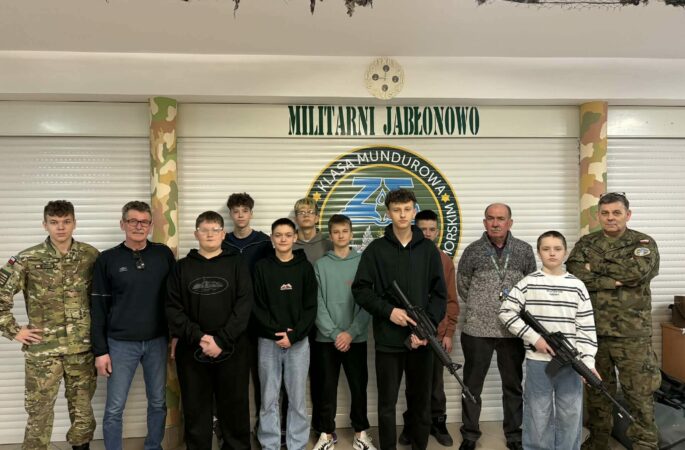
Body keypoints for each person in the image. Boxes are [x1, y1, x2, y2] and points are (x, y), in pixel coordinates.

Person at [0, 200, 99, 450]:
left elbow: (104, 299)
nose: (60, 228)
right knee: (39, 415)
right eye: (54, 222)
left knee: (83, 414)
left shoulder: (90, 256)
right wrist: (14, 330)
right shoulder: (28, 259)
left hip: (81, 350)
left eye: (66, 222)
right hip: (43, 352)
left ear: (74, 223)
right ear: (45, 224)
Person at [352, 188, 446, 450]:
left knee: (420, 403)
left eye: (407, 209)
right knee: (386, 404)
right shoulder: (376, 249)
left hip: (422, 341)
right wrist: (388, 311)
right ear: (388, 213)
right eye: (396, 210)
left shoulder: (428, 249)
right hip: (388, 340)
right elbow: (360, 290)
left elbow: (440, 294)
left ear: (414, 211)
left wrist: (425, 330)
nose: (402, 215)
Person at [566, 192, 660, 450]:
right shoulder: (587, 243)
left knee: (638, 393)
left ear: (628, 215)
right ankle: (598, 442)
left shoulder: (643, 243)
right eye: (605, 213)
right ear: (598, 215)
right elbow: (574, 273)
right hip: (593, 332)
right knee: (597, 392)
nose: (610, 218)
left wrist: (594, 268)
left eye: (616, 213)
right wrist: (614, 280)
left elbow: (636, 273)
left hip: (632, 334)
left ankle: (646, 444)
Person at [499, 230, 598, 450]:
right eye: (546, 249)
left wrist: (588, 363)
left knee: (570, 413)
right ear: (538, 252)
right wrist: (534, 338)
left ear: (566, 252)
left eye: (557, 249)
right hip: (538, 361)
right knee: (537, 413)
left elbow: (586, 328)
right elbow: (506, 312)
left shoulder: (577, 286)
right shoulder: (528, 283)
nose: (552, 253)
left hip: (571, 362)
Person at [91, 200, 176, 450]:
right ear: (122, 224)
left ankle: (153, 446)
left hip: (157, 341)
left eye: (144, 222)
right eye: (132, 221)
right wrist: (100, 351)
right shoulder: (107, 259)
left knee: (158, 402)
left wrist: (175, 336)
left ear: (150, 226)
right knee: (114, 407)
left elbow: (174, 299)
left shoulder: (163, 255)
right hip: (119, 344)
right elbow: (98, 308)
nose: (139, 226)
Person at [166, 211, 253, 450]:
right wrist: (200, 337)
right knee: (195, 409)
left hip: (233, 348)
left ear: (223, 234)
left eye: (215, 230)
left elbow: (245, 305)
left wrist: (221, 340)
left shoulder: (237, 264)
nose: (210, 234)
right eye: (204, 230)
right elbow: (173, 308)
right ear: (196, 234)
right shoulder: (181, 268)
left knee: (235, 407)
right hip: (192, 350)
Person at [456, 203, 536, 450]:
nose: (495, 223)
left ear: (510, 222)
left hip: (512, 329)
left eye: (501, 218)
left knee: (512, 385)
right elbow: (463, 285)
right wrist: (483, 306)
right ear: (484, 222)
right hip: (477, 330)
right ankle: (470, 435)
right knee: (472, 386)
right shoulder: (472, 250)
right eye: (490, 218)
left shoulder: (523, 250)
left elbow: (530, 285)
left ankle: (514, 435)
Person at [252, 218, 317, 450]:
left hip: (298, 343)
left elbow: (310, 307)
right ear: (272, 238)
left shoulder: (305, 268)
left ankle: (296, 444)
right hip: (268, 342)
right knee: (268, 398)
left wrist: (294, 335)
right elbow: (256, 306)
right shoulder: (261, 267)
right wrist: (277, 332)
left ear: (295, 238)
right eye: (278, 235)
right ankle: (269, 444)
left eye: (288, 235)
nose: (283, 239)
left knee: (297, 399)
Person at [311, 214, 375, 450]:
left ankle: (360, 433)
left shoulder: (363, 263)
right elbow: (317, 303)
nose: (340, 235)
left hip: (355, 339)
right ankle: (326, 434)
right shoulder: (320, 265)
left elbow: (368, 301)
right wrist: (335, 333)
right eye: (336, 232)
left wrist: (350, 332)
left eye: (344, 231)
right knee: (325, 389)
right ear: (330, 235)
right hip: (326, 339)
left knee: (358, 388)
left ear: (351, 234)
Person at [398, 209, 460, 447]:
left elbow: (451, 300)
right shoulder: (406, 256)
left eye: (431, 229)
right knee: (413, 384)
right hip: (410, 332)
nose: (426, 233)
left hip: (436, 333)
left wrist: (448, 333)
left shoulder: (444, 260)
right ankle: (412, 424)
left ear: (437, 232)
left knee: (435, 385)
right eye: (422, 229)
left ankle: (438, 422)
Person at [221, 192, 272, 434]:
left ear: (251, 213)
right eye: (236, 211)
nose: (240, 215)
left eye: (244, 211)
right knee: (233, 379)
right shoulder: (224, 242)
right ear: (231, 214)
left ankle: (264, 429)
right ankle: (232, 431)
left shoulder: (263, 242)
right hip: (231, 321)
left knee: (263, 378)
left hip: (258, 320)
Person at [292, 196, 332, 442]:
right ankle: (289, 428)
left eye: (310, 212)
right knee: (291, 380)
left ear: (317, 216)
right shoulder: (289, 242)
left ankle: (322, 427)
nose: (306, 215)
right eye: (301, 212)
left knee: (320, 378)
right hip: (295, 320)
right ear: (296, 218)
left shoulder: (328, 244)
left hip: (322, 322)